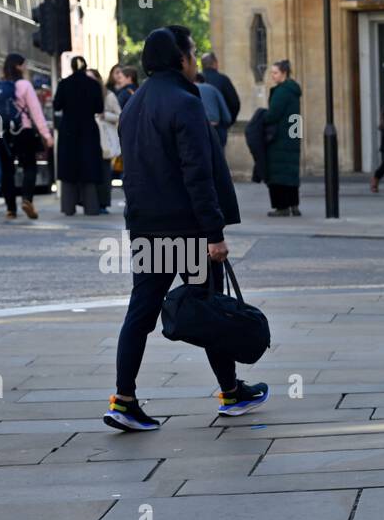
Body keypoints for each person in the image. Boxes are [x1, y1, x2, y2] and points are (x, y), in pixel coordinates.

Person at [109, 25, 267, 432]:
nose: (195, 58)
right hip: (187, 231)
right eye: (192, 52)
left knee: (140, 313)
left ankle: (123, 399)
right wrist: (214, 232)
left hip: (146, 227)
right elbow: (197, 173)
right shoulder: (184, 102)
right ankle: (231, 393)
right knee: (207, 306)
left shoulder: (134, 104)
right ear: (180, 58)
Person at [0, 53, 53, 220]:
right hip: (23, 131)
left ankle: (11, 209)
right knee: (29, 166)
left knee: (7, 170)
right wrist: (46, 135)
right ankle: (27, 200)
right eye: (23, 65)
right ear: (18, 66)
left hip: (1, 133)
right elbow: (36, 112)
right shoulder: (24, 85)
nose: (25, 68)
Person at [53, 56, 105, 216]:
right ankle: (91, 206)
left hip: (68, 129)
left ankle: (68, 207)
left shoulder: (64, 84)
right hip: (88, 129)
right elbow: (99, 107)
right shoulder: (93, 85)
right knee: (89, 167)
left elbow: (57, 105)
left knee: (69, 168)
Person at [264, 59, 302, 216]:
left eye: (275, 73)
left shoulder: (282, 91)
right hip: (292, 134)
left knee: (278, 172)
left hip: (280, 137)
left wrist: (262, 118)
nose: (273, 76)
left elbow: (272, 115)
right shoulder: (293, 90)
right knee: (291, 171)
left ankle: (282, 207)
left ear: (284, 73)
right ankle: (294, 205)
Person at [86, 69, 120, 215]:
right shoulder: (84, 94)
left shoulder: (109, 96)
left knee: (104, 171)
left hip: (103, 139)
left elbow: (120, 115)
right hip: (89, 138)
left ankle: (103, 202)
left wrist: (104, 115)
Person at [200, 52, 241, 124]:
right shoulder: (223, 79)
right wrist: (228, 121)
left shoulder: (194, 80)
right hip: (219, 125)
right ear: (215, 63)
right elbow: (234, 103)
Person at [195, 70, 233, 146]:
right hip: (216, 130)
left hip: (196, 131)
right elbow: (227, 117)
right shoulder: (213, 89)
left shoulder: (185, 90)